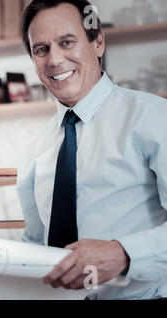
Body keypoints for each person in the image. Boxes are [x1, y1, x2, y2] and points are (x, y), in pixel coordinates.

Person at [17, 0, 167, 299]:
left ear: (97, 42)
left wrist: (123, 254)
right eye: (41, 49)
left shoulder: (154, 118)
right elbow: (34, 243)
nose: (55, 60)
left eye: (67, 42)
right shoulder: (35, 147)